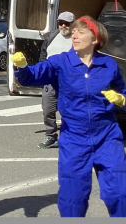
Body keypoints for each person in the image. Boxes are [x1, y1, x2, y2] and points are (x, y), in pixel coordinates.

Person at [11, 16, 126, 217]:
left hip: (107, 137)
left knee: (119, 193)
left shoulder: (109, 64)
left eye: (81, 32)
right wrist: (21, 68)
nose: (74, 34)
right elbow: (33, 75)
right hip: (74, 139)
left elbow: (123, 91)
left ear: (95, 38)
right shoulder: (60, 62)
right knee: (72, 201)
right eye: (73, 31)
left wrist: (122, 100)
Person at [37, 11, 75, 149]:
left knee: (68, 110)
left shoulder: (77, 38)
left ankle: (68, 136)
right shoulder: (51, 36)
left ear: (73, 24)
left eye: (67, 23)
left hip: (69, 81)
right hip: (50, 80)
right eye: (61, 23)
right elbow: (43, 55)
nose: (63, 26)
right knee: (48, 109)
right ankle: (51, 135)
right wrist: (42, 73)